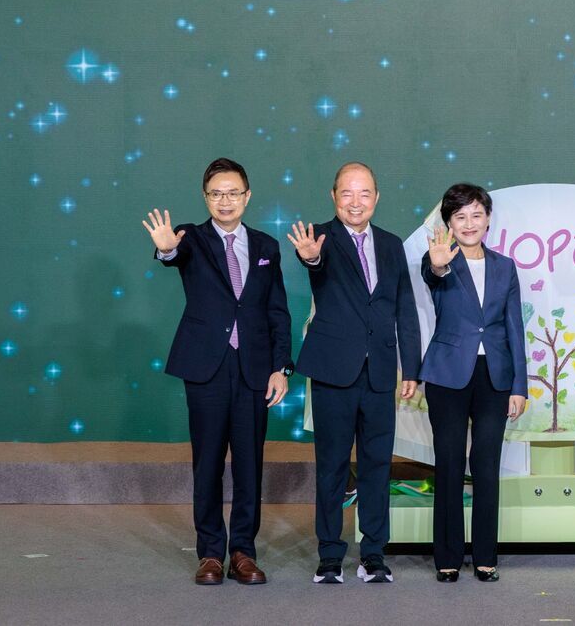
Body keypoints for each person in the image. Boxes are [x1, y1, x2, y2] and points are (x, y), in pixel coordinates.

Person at [141, 157, 292, 586]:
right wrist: (166, 248)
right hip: (207, 367)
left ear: (247, 196)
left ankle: (243, 551)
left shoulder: (266, 246)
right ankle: (210, 552)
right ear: (205, 198)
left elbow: (277, 311)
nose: (225, 201)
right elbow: (172, 255)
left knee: (249, 464)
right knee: (207, 463)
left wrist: (281, 368)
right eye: (216, 194)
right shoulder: (191, 238)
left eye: (233, 193)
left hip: (254, 370)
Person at [286, 162, 420, 584]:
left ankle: (374, 555)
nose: (356, 202)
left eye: (364, 193)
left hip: (380, 372)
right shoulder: (319, 239)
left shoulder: (392, 244)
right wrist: (310, 257)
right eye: (347, 193)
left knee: (378, 466)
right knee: (331, 466)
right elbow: (314, 262)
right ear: (334, 196)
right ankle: (329, 555)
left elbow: (404, 309)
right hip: (333, 371)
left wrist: (411, 368)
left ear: (376, 198)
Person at [418, 184, 527, 582]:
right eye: (460, 217)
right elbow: (433, 275)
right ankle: (447, 557)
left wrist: (520, 386)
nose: (469, 224)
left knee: (486, 465)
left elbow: (514, 327)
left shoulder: (505, 266)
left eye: (476, 215)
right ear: (449, 223)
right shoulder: (439, 258)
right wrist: (439, 266)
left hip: (494, 376)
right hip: (447, 375)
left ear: (488, 219)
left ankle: (485, 556)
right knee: (448, 463)